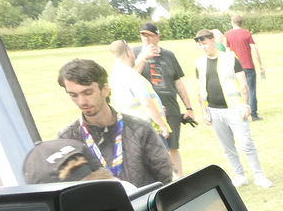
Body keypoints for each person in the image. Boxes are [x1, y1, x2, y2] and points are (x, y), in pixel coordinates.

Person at [57, 59, 173, 187]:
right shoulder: (66, 139)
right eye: (73, 95)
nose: (81, 102)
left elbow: (165, 178)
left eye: (88, 92)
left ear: (105, 90)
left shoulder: (140, 129)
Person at [194, 29, 272, 189]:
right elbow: (200, 89)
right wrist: (204, 112)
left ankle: (259, 176)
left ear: (213, 41)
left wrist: (245, 104)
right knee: (227, 148)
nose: (203, 47)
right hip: (214, 111)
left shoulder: (230, 58)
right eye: (200, 45)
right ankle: (239, 175)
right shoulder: (199, 63)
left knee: (246, 144)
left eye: (205, 43)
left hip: (235, 109)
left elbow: (243, 83)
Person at [133, 22, 196, 178]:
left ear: (158, 37)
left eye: (149, 35)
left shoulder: (169, 55)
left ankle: (179, 178)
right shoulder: (134, 53)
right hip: (148, 110)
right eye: (143, 35)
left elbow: (178, 82)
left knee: (173, 146)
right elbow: (131, 78)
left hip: (171, 107)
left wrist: (189, 108)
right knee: (151, 149)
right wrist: (142, 59)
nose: (146, 39)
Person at [109, 40, 171, 142]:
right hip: (148, 130)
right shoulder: (133, 76)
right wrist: (162, 125)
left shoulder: (113, 76)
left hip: (129, 131)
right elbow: (147, 103)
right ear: (129, 53)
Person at [224, 14, 266, 120]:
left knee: (237, 90)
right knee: (251, 90)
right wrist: (260, 64)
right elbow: (254, 49)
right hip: (248, 66)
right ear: (241, 23)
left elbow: (227, 51)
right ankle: (254, 114)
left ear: (232, 23)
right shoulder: (246, 33)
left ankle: (239, 113)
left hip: (234, 67)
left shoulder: (228, 35)